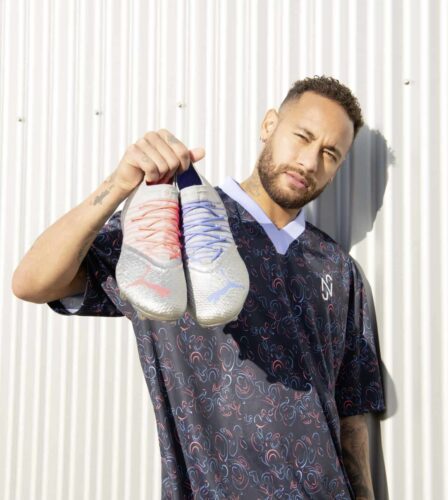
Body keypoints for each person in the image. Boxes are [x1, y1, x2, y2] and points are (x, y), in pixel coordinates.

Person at [12, 75, 386, 499]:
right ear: (269, 125)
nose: (309, 161)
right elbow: (32, 282)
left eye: (330, 153)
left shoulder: (337, 267)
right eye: (302, 137)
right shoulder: (173, 224)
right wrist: (119, 185)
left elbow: (351, 410)